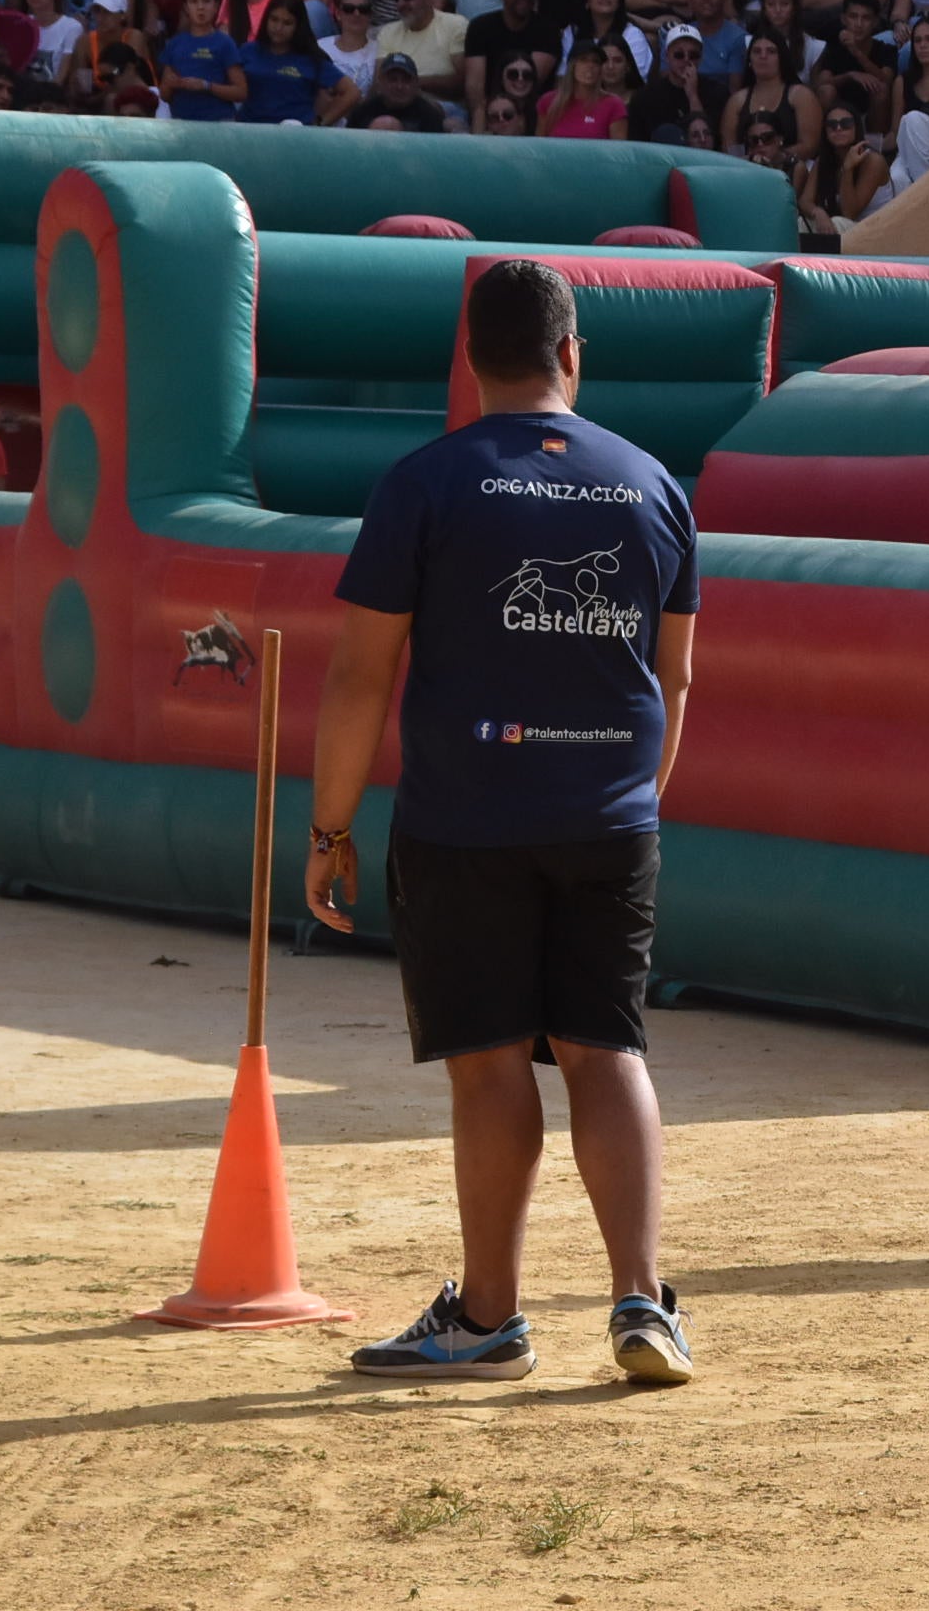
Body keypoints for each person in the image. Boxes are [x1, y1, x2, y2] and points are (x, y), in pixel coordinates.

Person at [310, 259, 700, 1388]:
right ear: (573, 354)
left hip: (462, 820)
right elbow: (675, 678)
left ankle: (488, 1318)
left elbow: (357, 677)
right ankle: (641, 1297)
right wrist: (639, 799)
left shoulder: (425, 481)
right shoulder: (651, 483)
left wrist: (330, 828)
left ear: (471, 362)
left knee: (488, 1068)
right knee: (607, 1048)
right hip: (611, 816)